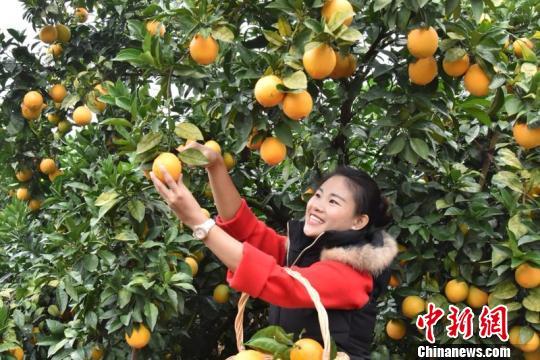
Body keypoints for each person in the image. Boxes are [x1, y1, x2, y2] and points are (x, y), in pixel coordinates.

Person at [150, 142, 398, 359]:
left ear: (358, 221)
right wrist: (214, 167)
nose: (317, 206)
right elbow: (247, 231)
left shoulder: (353, 272)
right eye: (319, 196)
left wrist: (198, 222)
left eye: (333, 202)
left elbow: (283, 283)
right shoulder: (307, 252)